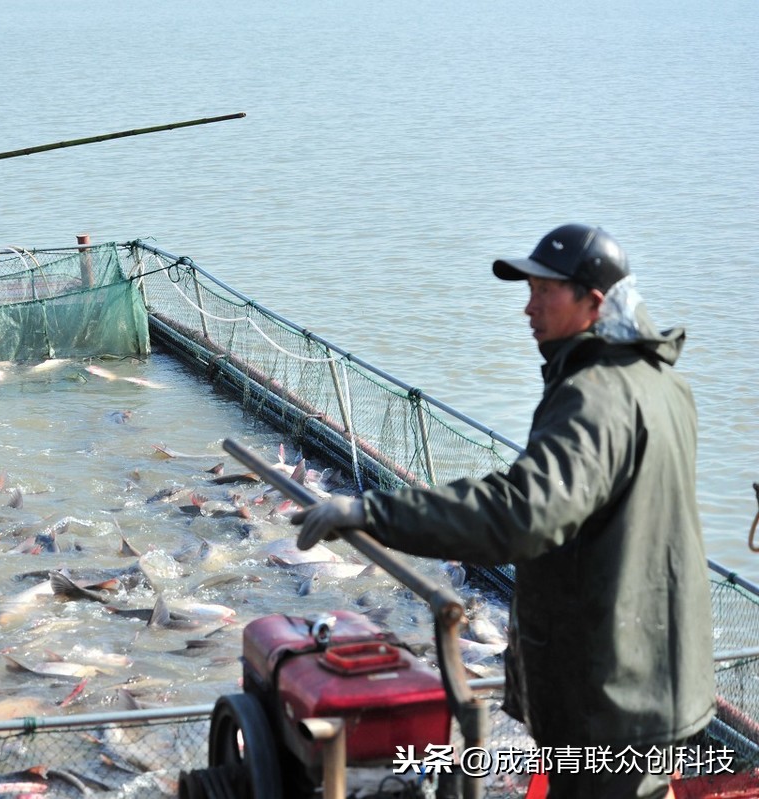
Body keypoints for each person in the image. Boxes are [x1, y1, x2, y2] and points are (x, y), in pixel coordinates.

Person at [291, 224, 715, 799]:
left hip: (608, 692)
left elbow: (522, 513)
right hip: (659, 674)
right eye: (529, 290)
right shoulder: (663, 384)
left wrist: (375, 512)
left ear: (594, 302)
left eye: (545, 292)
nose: (528, 308)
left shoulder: (593, 395)